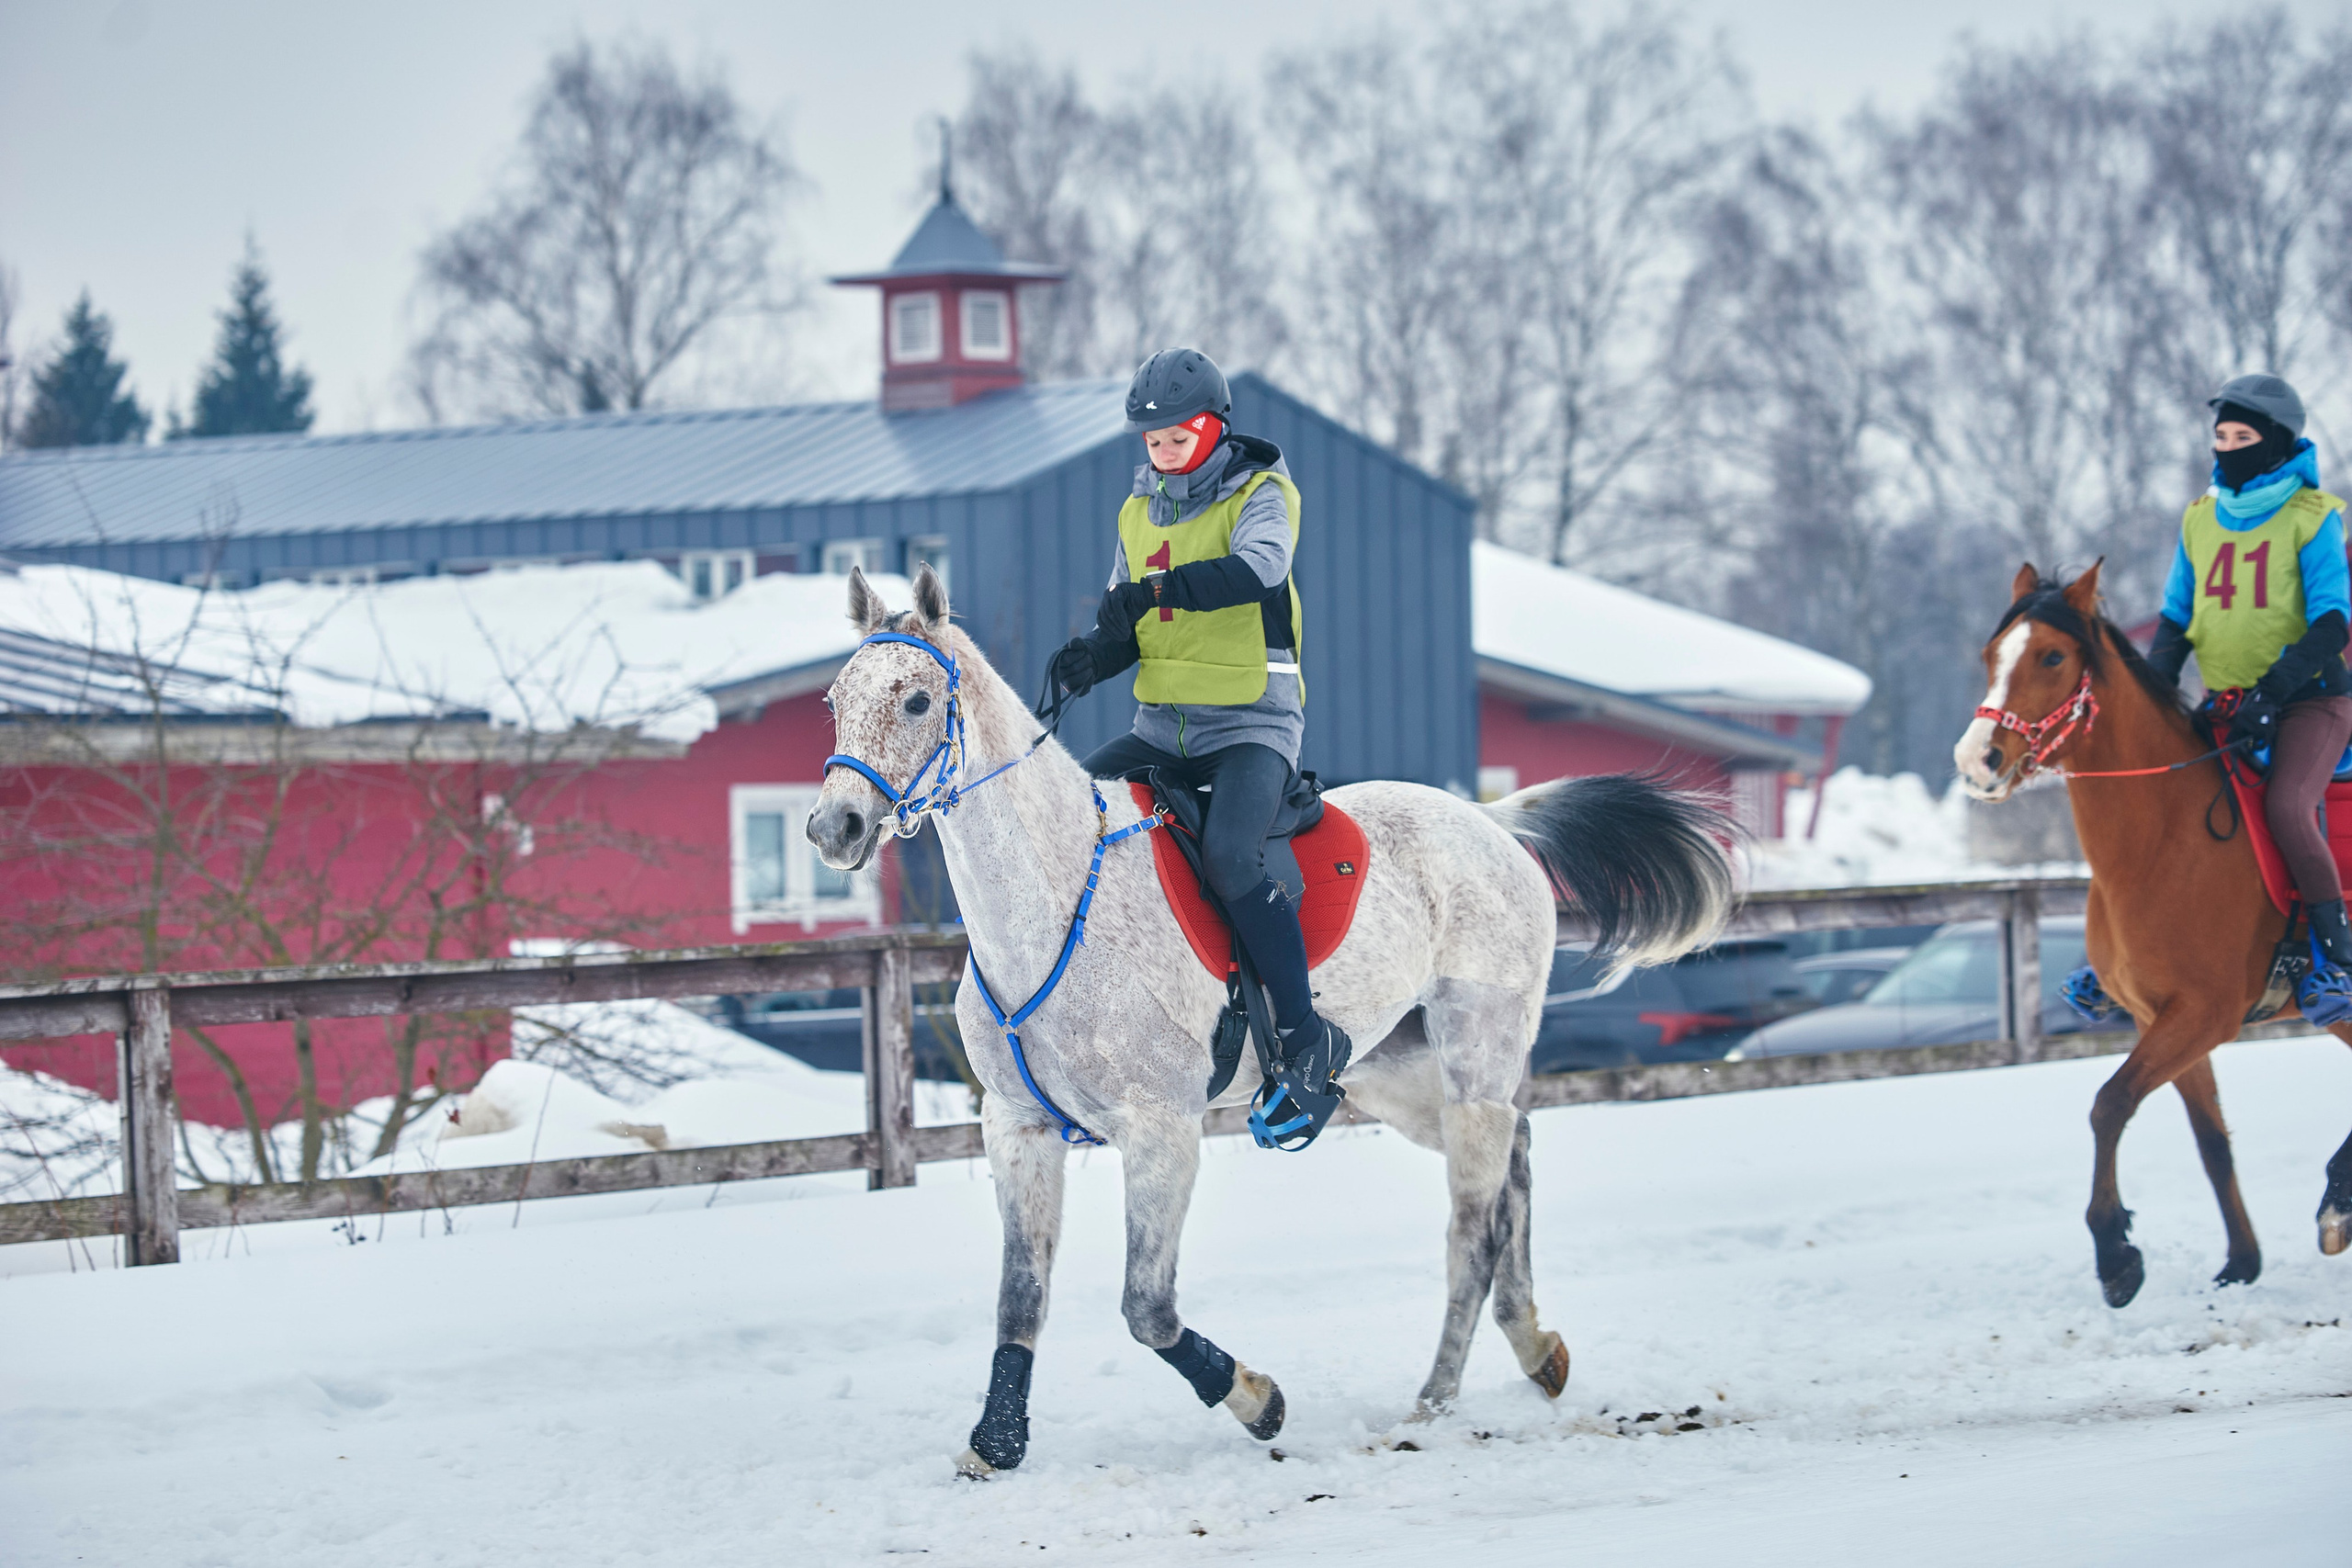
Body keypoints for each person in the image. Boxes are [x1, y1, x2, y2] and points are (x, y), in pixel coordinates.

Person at [1046, 347, 1351, 1134]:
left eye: (1177, 439)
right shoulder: (1135, 512)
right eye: (1151, 442)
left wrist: (1154, 589)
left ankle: (1303, 1036)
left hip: (1252, 723)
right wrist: (1093, 655)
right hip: (1161, 728)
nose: (1163, 453)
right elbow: (1131, 620)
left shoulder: (1263, 494)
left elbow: (1256, 571)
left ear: (1215, 427)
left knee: (1231, 858)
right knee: (1071, 820)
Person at [2147, 373, 2352, 968]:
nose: (2229, 447)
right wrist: (2154, 684)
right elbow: (2176, 617)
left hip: (2311, 701)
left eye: (2244, 436)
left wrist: (2273, 691)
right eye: (2222, 436)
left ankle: (2335, 952)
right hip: (2230, 700)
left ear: (2278, 441)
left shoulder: (2313, 516)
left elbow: (2333, 624)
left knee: (2287, 805)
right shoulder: (2198, 519)